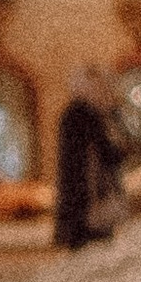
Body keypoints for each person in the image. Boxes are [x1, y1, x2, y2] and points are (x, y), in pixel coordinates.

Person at [54, 70, 125, 251]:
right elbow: (111, 154)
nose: (103, 91)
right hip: (91, 197)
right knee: (93, 247)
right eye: (99, 87)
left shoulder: (73, 114)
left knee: (84, 247)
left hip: (80, 197)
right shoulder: (87, 115)